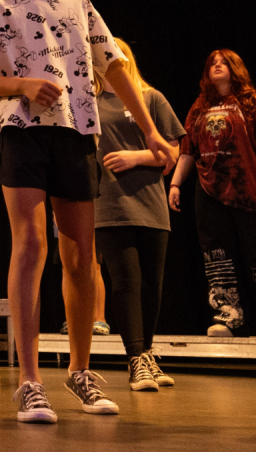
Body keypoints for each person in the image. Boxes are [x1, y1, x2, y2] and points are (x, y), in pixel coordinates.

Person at [0, 0, 172, 423]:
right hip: (19, 132)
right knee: (30, 245)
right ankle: (29, 380)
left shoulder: (79, 5)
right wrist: (20, 85)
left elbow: (115, 69)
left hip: (76, 131)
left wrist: (150, 131)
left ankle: (80, 370)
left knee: (79, 255)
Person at [81, 40, 183, 391]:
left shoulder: (150, 98)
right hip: (110, 205)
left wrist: (135, 157)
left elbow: (173, 153)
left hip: (151, 205)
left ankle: (149, 353)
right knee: (126, 281)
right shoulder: (90, 104)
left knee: (152, 286)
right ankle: (135, 358)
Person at [167, 50, 256, 340]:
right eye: (212, 64)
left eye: (223, 63)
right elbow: (187, 150)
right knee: (217, 256)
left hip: (248, 190)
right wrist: (175, 184)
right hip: (209, 191)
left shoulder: (253, 104)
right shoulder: (199, 108)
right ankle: (228, 316)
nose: (217, 67)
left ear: (235, 68)